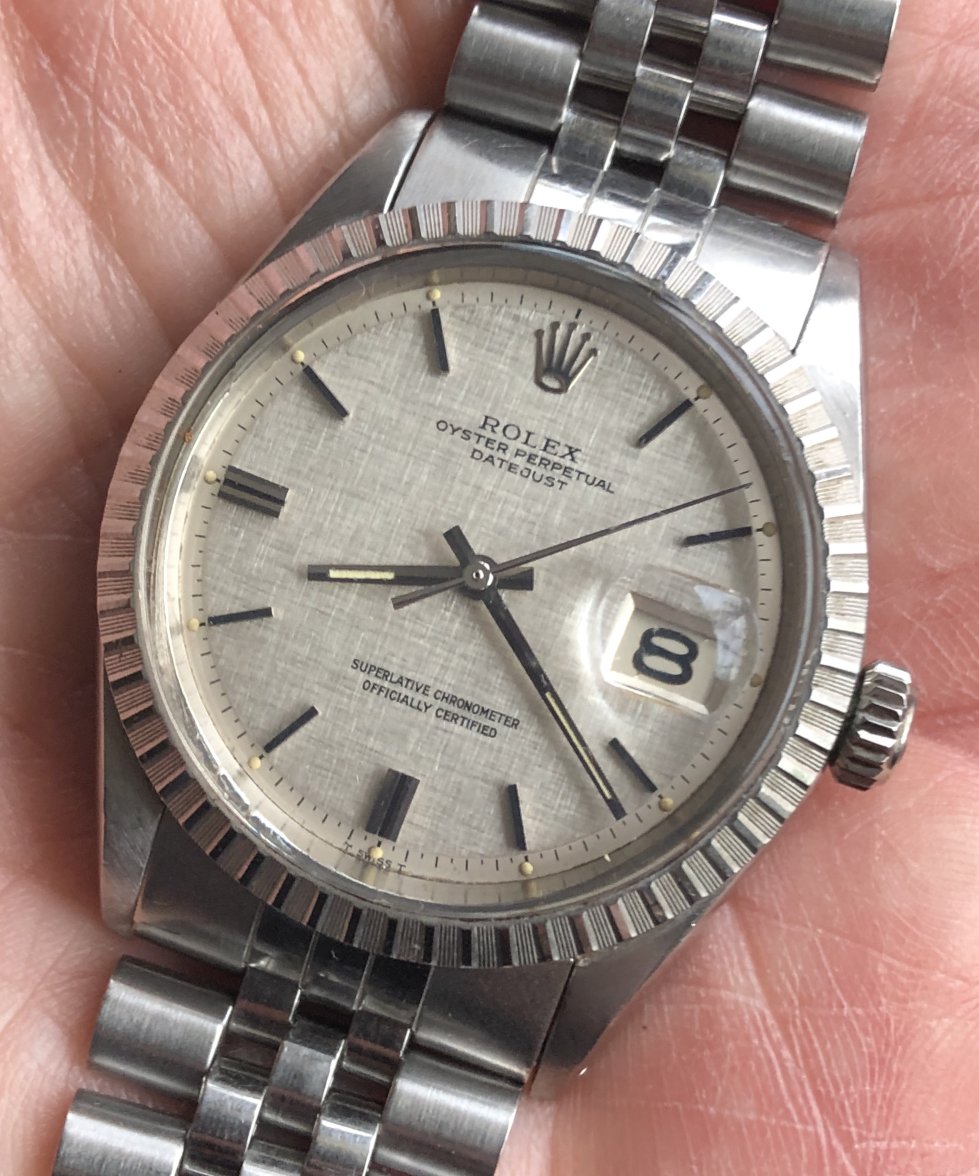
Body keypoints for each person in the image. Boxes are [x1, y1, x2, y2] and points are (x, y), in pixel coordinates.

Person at [1, 1, 975, 1172]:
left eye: (488, 579)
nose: (479, 578)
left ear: (838, 712)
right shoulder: (434, 180)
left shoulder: (432, 186)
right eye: (482, 573)